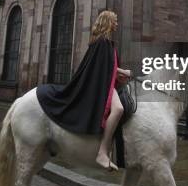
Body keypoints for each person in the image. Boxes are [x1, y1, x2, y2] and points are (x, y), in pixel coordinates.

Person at [36, 10, 131, 172]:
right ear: (107, 22)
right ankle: (102, 152)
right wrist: (123, 73)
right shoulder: (102, 42)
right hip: (102, 86)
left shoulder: (105, 42)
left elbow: (108, 67)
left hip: (107, 84)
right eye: (114, 21)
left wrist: (120, 73)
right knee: (119, 109)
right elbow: (104, 69)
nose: (117, 24)